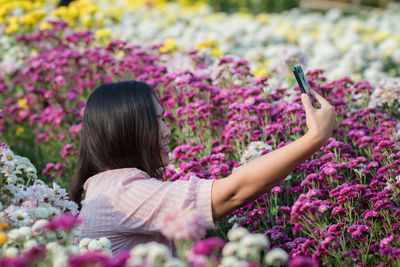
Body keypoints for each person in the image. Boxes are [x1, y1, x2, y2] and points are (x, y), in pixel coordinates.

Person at [70, 80, 336, 255]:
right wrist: (315, 137)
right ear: (125, 131)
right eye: (157, 121)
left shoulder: (105, 186)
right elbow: (234, 192)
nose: (167, 131)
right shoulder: (123, 192)